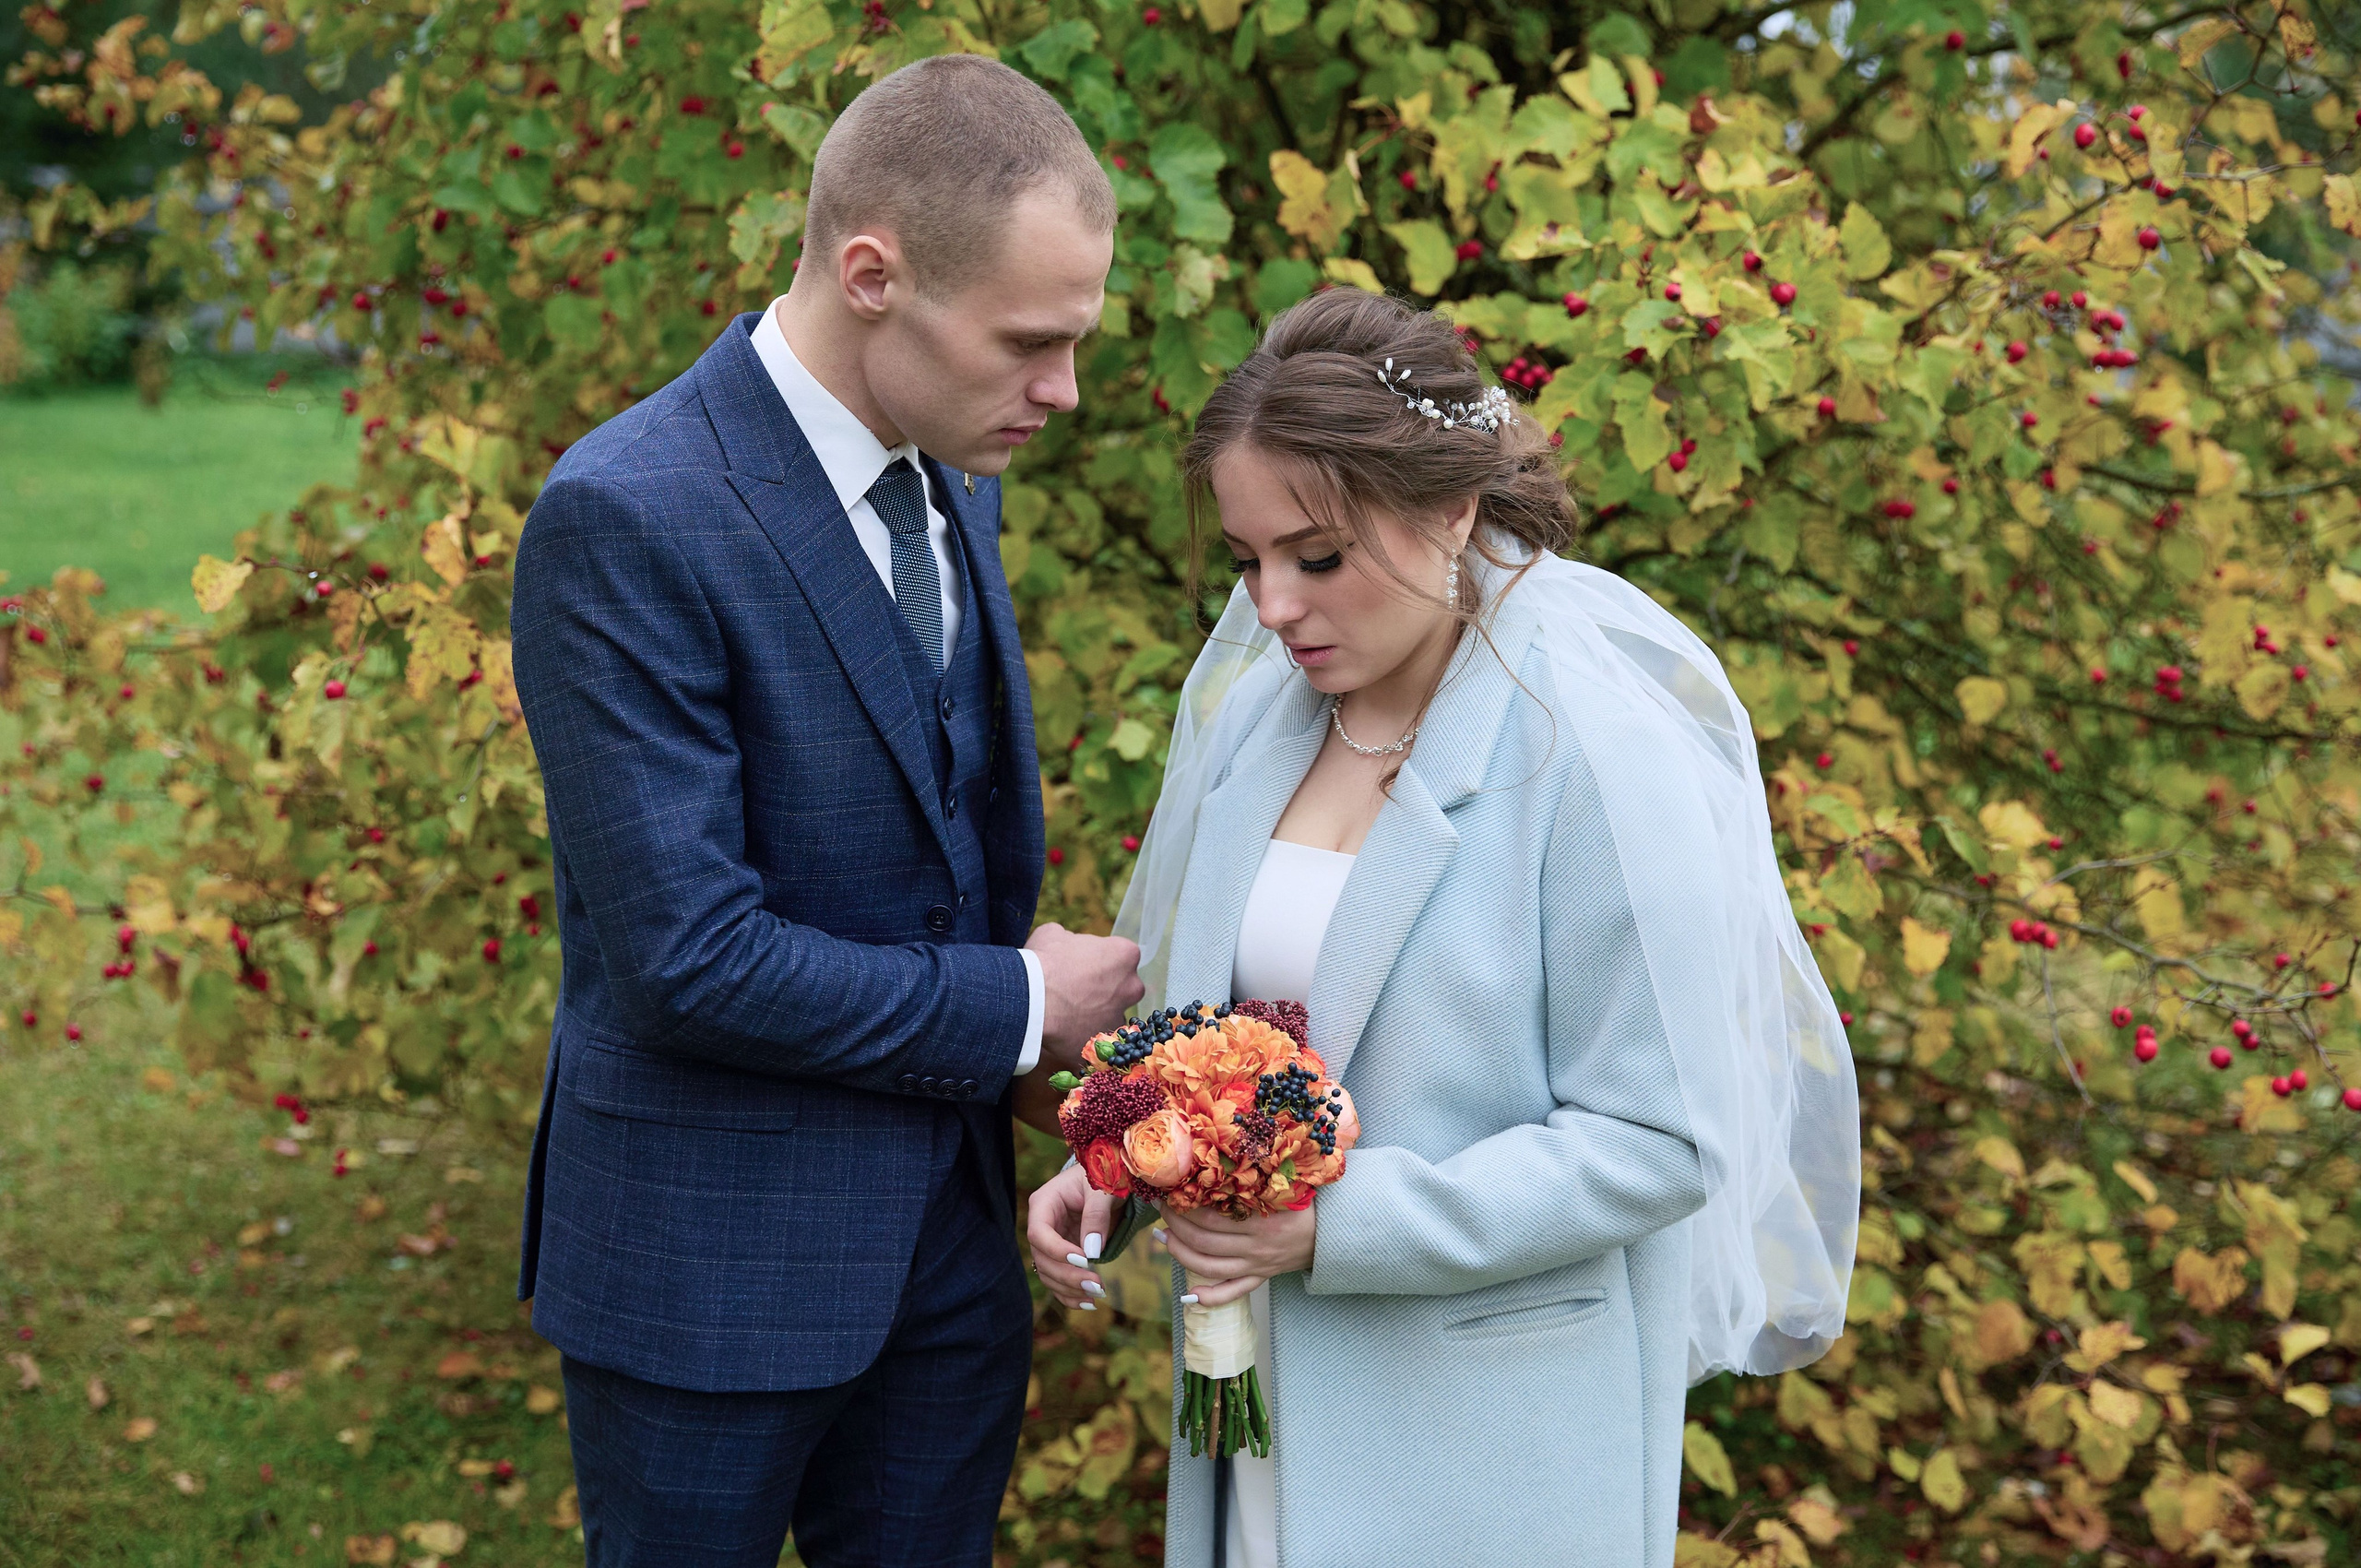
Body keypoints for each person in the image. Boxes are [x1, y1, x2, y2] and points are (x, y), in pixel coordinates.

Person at [1026, 289, 1861, 1567]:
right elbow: (1218, 1039)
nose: (1274, 605)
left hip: (1483, 1444)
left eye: (1316, 557)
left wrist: (1336, 1227)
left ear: (1451, 510)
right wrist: (1115, 1163)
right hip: (1258, 1423)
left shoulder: (1589, 756)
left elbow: (1664, 1139)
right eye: (1249, 562)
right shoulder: (1261, 730)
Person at [509, 55, 1143, 1568]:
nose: (1063, 393)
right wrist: (1014, 1002)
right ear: (874, 275)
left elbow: (941, 844)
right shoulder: (627, 516)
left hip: (945, 1261)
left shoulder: (953, 472)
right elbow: (689, 958)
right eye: (1030, 344)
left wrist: (1080, 1103)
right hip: (703, 1270)